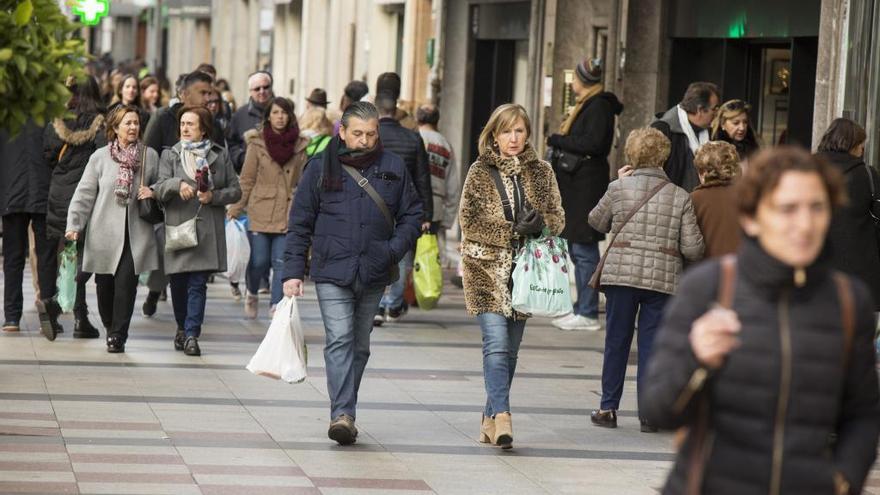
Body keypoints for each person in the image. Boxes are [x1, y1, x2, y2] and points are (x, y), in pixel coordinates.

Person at [643, 147, 879, 495]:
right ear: (752, 217)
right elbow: (658, 409)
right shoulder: (709, 286)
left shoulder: (848, 301)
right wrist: (697, 359)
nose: (805, 223)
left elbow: (863, 414)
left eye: (817, 207)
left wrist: (843, 480)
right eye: (787, 209)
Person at [282, 102, 422, 445]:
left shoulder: (393, 167)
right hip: (332, 268)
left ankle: (345, 408)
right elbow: (300, 223)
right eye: (357, 133)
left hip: (375, 269)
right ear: (342, 132)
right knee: (341, 339)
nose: (364, 140)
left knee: (359, 346)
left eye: (371, 134)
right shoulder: (320, 167)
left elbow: (413, 214)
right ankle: (342, 413)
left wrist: (392, 250)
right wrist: (292, 271)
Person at [460, 104, 565, 449]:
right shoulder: (479, 171)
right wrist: (511, 230)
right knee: (496, 343)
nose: (514, 138)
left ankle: (490, 418)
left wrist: (541, 225)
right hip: (485, 269)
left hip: (524, 271)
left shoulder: (543, 171)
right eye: (506, 131)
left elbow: (558, 219)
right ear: (494, 134)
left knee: (511, 351)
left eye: (519, 130)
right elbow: (469, 222)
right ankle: (504, 415)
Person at [587, 127, 704, 432]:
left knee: (616, 342)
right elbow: (693, 247)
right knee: (652, 346)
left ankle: (608, 408)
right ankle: (649, 414)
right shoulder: (680, 196)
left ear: (631, 155)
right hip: (662, 282)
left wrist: (618, 184)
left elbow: (596, 221)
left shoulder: (619, 187)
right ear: (664, 156)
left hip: (621, 276)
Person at [65, 105, 160, 352]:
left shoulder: (150, 156)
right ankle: (110, 326)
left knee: (126, 286)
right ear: (115, 128)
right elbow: (84, 194)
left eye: (136, 123)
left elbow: (161, 185)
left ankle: (118, 334)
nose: (133, 127)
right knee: (104, 287)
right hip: (103, 233)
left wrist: (153, 191)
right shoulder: (100, 157)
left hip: (135, 233)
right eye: (127, 123)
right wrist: (74, 224)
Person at [152, 106, 241, 356]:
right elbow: (158, 187)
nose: (185, 128)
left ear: (203, 129)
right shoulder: (170, 155)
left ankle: (192, 334)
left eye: (191, 124)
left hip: (206, 229)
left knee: (198, 284)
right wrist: (177, 184)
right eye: (182, 124)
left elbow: (236, 190)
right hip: (179, 227)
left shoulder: (219, 154)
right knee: (179, 284)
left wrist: (213, 195)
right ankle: (182, 326)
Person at [545, 57, 624, 332]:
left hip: (586, 189)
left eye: (576, 78)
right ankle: (581, 308)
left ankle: (588, 312)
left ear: (582, 80)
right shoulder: (589, 104)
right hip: (577, 188)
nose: (573, 83)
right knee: (576, 249)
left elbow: (594, 143)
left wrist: (558, 139)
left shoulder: (598, 106)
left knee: (584, 249)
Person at [141, 70, 216, 317]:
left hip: (200, 211)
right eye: (203, 92)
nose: (208, 97)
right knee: (168, 258)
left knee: (192, 272)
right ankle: (155, 292)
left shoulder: (211, 123)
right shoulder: (163, 118)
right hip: (168, 205)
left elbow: (221, 161)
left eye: (210, 93)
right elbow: (148, 159)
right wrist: (153, 192)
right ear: (183, 94)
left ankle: (187, 324)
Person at [228, 97, 309, 317]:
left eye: (284, 113)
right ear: (268, 116)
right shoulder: (257, 143)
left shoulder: (301, 145)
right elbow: (246, 179)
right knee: (258, 261)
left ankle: (276, 305)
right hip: (261, 208)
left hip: (288, 210)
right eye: (275, 113)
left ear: (290, 116)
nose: (280, 117)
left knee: (281, 261)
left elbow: (303, 182)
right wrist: (236, 207)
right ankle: (252, 291)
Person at [43, 76, 107, 340]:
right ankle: (61, 305)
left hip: (59, 193)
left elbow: (47, 154)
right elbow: (105, 158)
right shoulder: (101, 123)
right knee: (87, 256)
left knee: (67, 254)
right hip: (88, 197)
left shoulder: (57, 121)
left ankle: (78, 315)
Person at [373, 90, 433, 325]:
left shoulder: (372, 136)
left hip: (376, 205)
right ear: (396, 112)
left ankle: (376, 304)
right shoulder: (412, 137)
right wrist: (426, 213)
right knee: (403, 256)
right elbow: (422, 178)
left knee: (377, 255)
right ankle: (394, 304)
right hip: (406, 205)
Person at [817, 118, 880, 309]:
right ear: (852, 146)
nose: (862, 151)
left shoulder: (809, 170)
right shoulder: (868, 175)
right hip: (861, 276)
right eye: (861, 145)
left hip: (817, 271)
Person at [1, 122, 57, 334]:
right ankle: (48, 315)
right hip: (44, 190)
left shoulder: (7, 114)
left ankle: (12, 317)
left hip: (10, 192)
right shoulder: (47, 114)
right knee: (47, 257)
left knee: (13, 257)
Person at [652, 82, 721, 192]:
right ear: (700, 110)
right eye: (714, 109)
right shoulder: (663, 130)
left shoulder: (713, 132)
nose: (717, 114)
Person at [416, 104, 460, 265]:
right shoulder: (445, 145)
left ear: (417, 118)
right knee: (431, 261)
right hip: (436, 208)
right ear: (437, 120)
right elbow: (453, 187)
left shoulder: (413, 138)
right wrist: (448, 219)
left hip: (413, 204)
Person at [691, 141, 742, 258]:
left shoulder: (694, 199)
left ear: (703, 172)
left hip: (708, 270)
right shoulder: (746, 196)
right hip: (742, 269)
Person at [229, 71, 274, 171]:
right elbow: (230, 144)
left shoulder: (283, 111)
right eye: (257, 89)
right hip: (249, 173)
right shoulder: (239, 115)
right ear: (250, 91)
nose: (262, 91)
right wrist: (242, 158)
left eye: (266, 87)